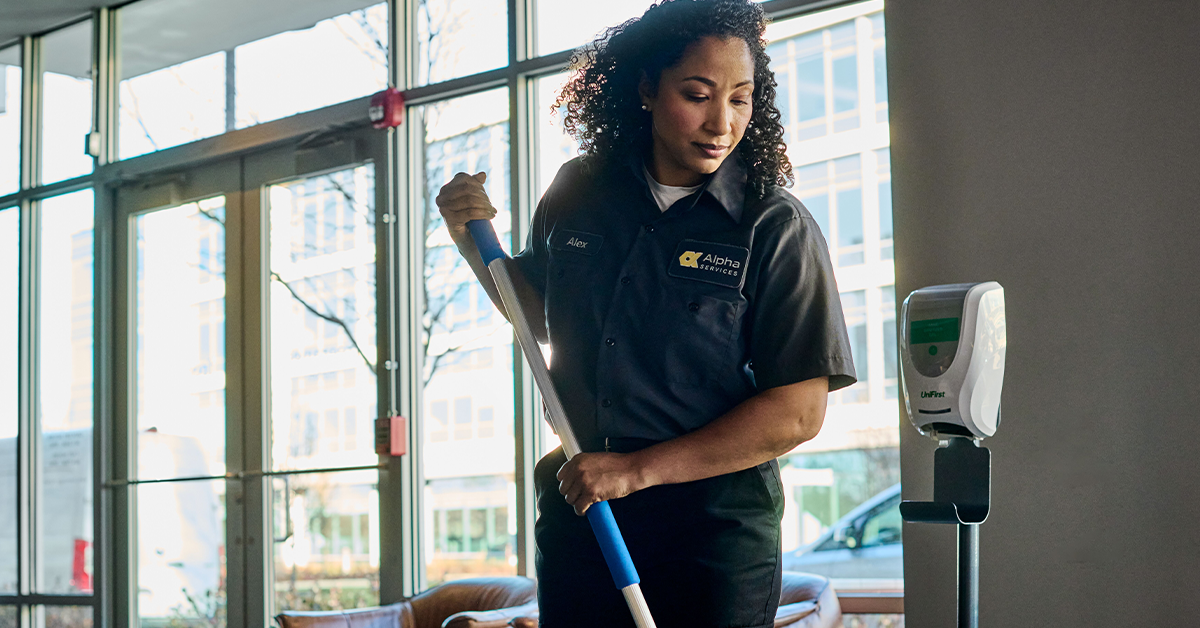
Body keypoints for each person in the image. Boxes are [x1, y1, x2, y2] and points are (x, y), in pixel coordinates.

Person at [435, 0, 856, 625]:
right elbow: (539, 324)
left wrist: (637, 471)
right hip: (583, 505)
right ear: (646, 90)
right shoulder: (579, 191)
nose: (722, 122)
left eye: (740, 98)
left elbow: (796, 412)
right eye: (697, 94)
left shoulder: (773, 224)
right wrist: (474, 247)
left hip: (711, 527)